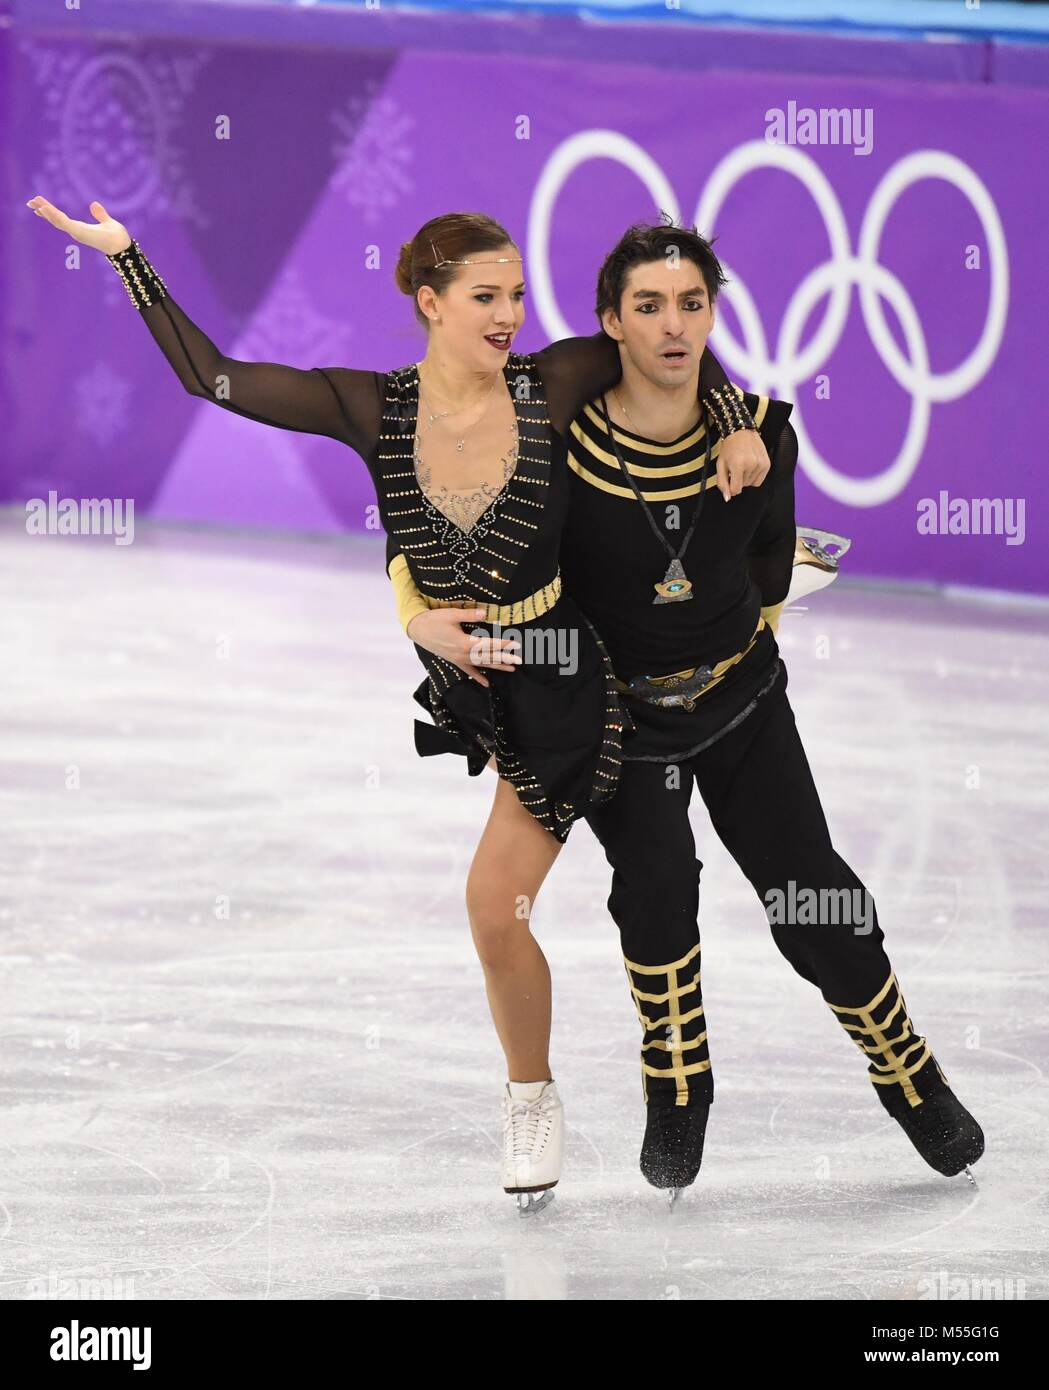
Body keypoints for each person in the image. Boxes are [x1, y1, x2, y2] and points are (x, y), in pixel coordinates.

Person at [25, 196, 769, 1212]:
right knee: (571, 894)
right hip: (473, 690)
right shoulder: (368, 407)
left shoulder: (552, 380)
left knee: (507, 903)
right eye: (483, 296)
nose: (508, 312)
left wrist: (732, 426)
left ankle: (549, 1095)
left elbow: (670, 352)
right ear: (429, 302)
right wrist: (130, 259)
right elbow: (216, 377)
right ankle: (564, 1080)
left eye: (514, 293)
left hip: (558, 672)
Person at [396, 219, 985, 1203]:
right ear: (608, 326)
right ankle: (677, 1082)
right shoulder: (555, 448)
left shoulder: (761, 431)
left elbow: (764, 578)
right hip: (622, 720)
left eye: (691, 304)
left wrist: (727, 622)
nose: (671, 325)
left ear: (712, 314)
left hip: (741, 701)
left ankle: (906, 1067)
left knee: (815, 900)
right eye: (647, 306)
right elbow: (443, 508)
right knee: (657, 889)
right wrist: (422, 615)